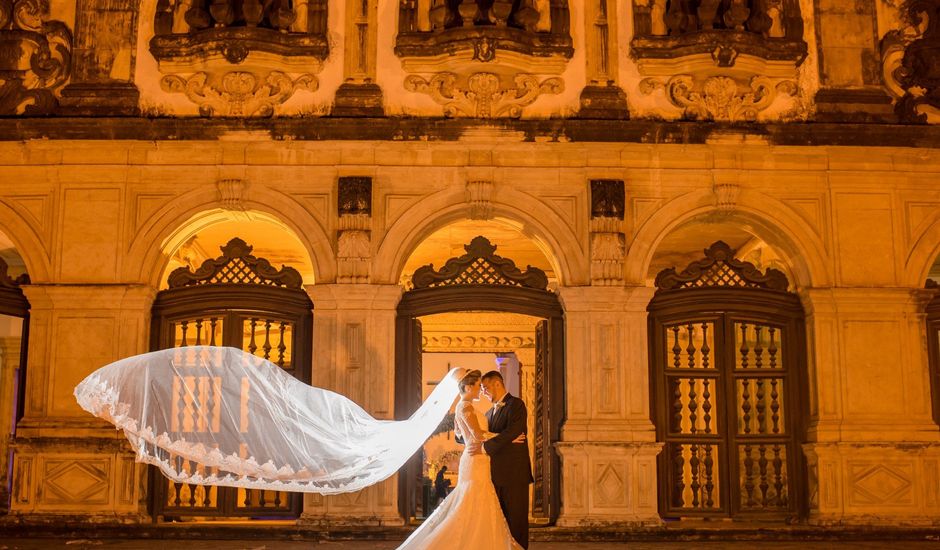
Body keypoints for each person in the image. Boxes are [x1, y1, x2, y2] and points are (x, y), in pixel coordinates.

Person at [397, 369, 522, 549]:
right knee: (473, 500)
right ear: (469, 387)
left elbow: (462, 435)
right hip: (475, 460)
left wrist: (468, 435)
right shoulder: (465, 407)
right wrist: (508, 437)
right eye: (479, 386)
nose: (481, 390)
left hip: (478, 458)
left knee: (477, 502)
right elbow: (478, 435)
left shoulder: (465, 407)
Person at [480, 370, 533, 549]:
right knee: (499, 522)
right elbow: (483, 434)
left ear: (497, 383)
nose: (483, 392)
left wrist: (487, 446)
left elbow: (515, 431)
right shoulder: (487, 414)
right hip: (494, 476)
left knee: (516, 520)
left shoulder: (516, 405)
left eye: (485, 387)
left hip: (515, 474)